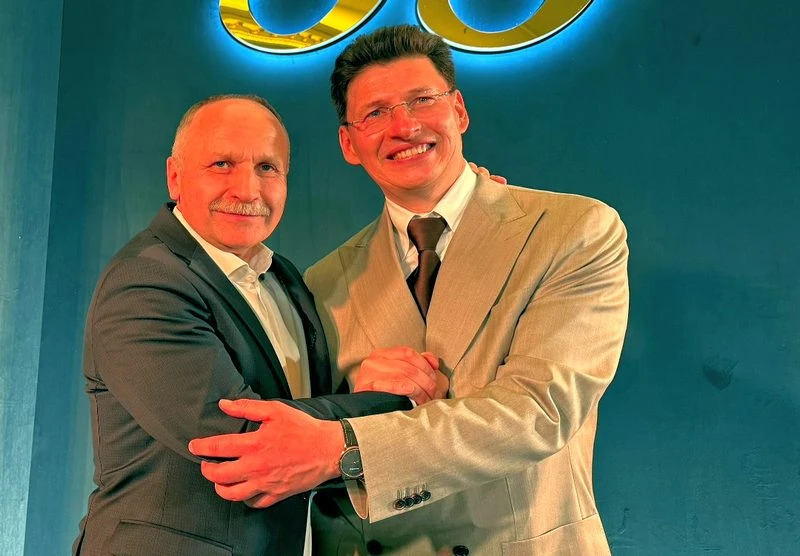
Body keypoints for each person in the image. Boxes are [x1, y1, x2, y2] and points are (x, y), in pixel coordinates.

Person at [190, 25, 629, 555]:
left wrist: (346, 446)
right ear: (349, 144)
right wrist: (356, 398)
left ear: (459, 111)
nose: (404, 126)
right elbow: (288, 439)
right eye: (375, 113)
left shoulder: (572, 231)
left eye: (422, 100)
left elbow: (541, 411)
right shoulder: (322, 283)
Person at [73, 94, 447, 556]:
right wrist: (395, 403)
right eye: (222, 165)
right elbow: (245, 441)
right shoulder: (146, 282)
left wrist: (463, 220)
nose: (247, 190)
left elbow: (297, 409)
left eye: (267, 168)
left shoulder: (283, 276)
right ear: (175, 176)